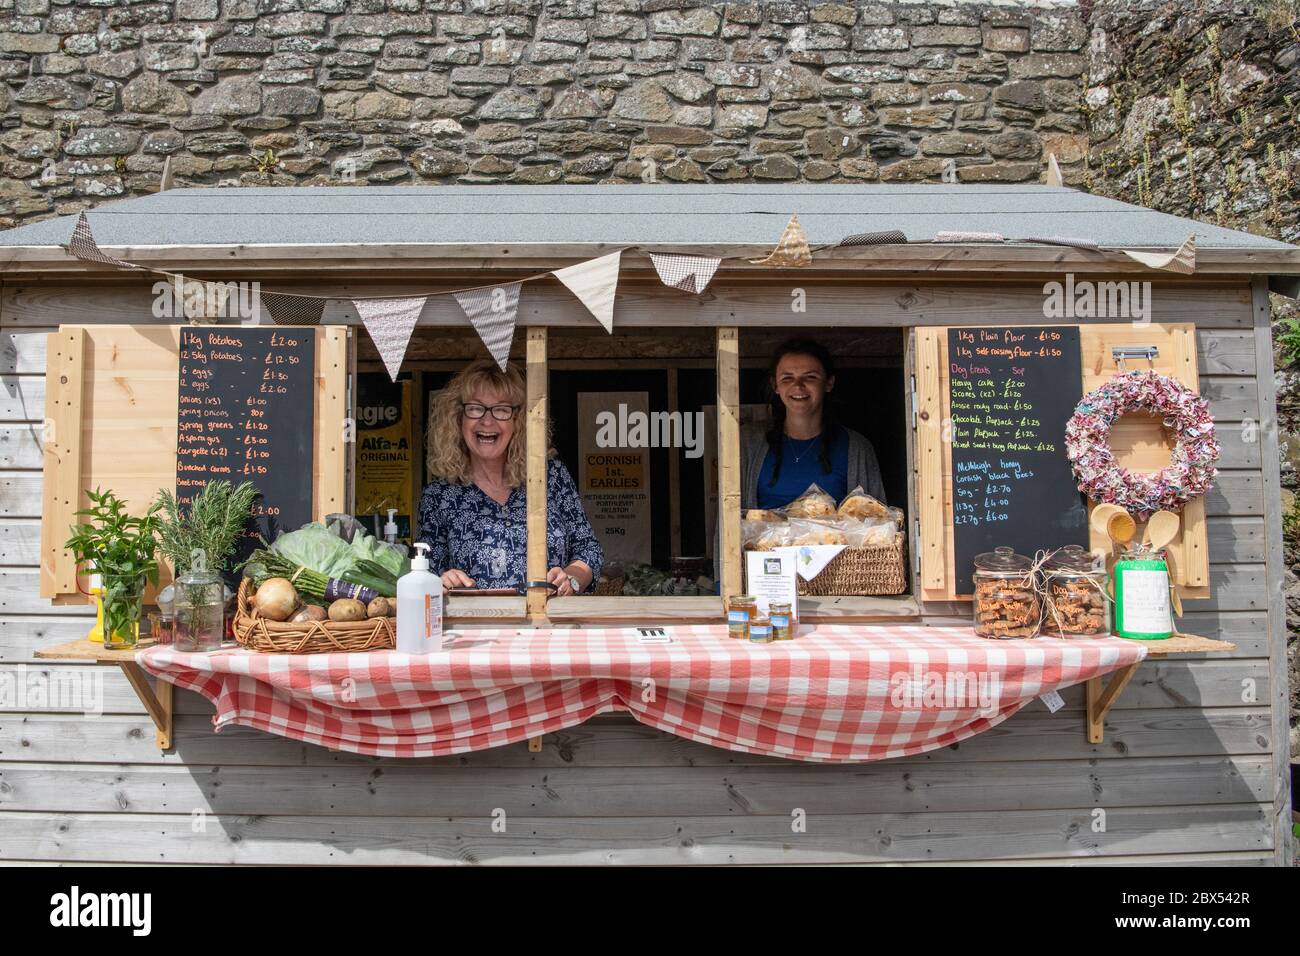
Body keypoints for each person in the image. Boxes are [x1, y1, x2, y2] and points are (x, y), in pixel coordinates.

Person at [417, 360, 602, 595]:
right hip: (473, 628)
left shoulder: (551, 477)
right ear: (457, 418)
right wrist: (442, 580)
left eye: (501, 410)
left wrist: (572, 579)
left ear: (519, 421)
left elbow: (588, 549)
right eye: (475, 408)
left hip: (549, 625)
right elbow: (425, 573)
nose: (487, 420)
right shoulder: (439, 496)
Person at [742, 337, 886, 510]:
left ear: (828, 383)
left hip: (831, 539)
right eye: (787, 378)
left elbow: (878, 525)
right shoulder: (749, 442)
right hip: (760, 538)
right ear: (775, 385)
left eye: (810, 377)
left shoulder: (855, 447)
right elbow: (727, 520)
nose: (798, 386)